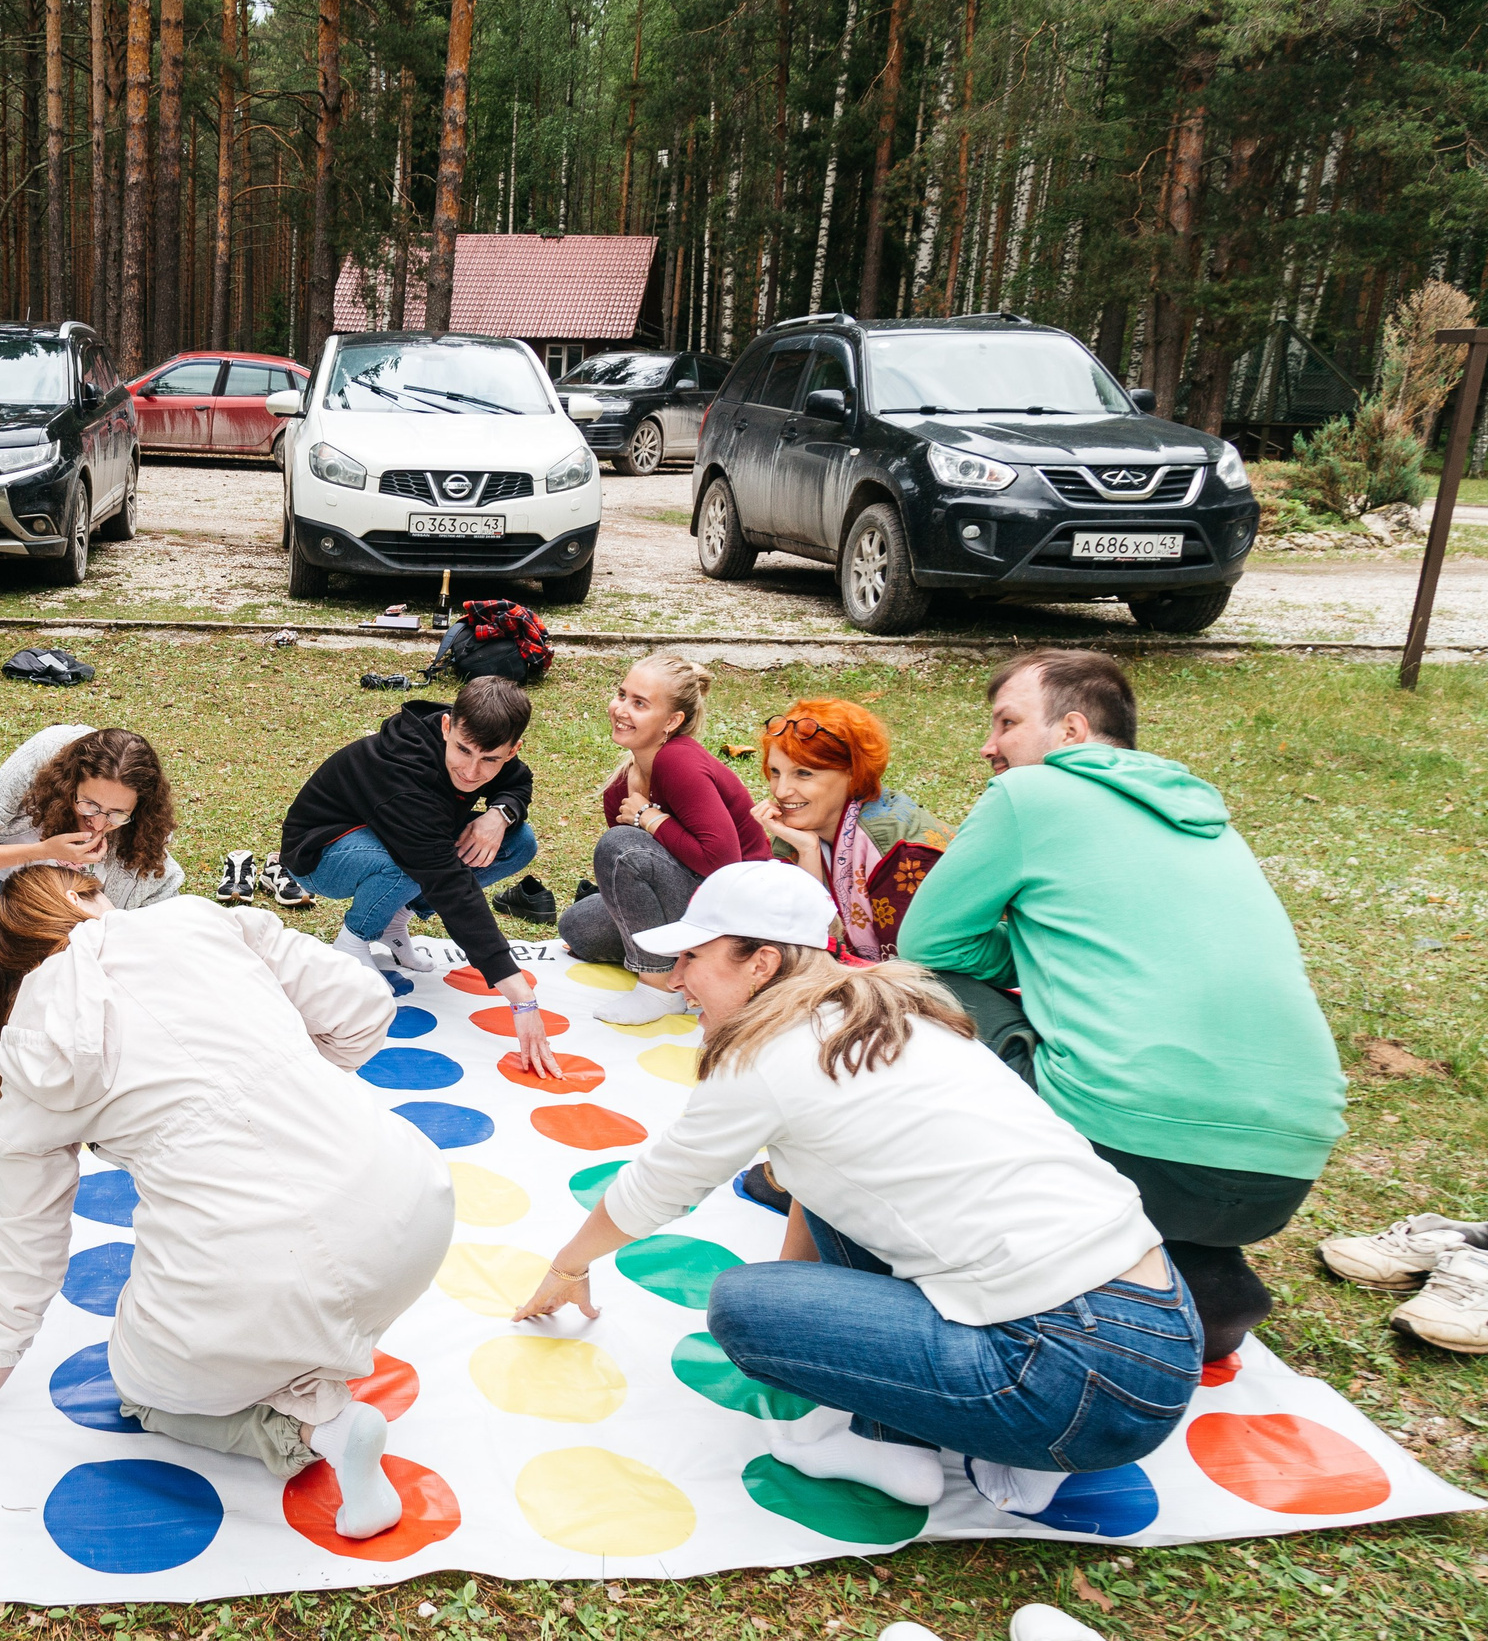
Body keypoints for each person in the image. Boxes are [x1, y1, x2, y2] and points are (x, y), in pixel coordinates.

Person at [516, 862, 1200, 1516]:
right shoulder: (892, 1012)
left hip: (1073, 1378)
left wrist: (568, 1266)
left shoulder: (765, 1057)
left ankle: (910, 1450)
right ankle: (949, 1439)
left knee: (744, 1309)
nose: (676, 979)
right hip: (1163, 1327)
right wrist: (806, 1306)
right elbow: (819, 1177)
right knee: (787, 1280)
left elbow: (656, 1188)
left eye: (693, 957)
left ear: (761, 964)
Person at [0, 869, 453, 1541]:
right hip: (413, 1207)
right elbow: (364, 1007)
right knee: (290, 1292)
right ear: (84, 897)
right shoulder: (200, 917)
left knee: (143, 1386)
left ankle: (321, 1427)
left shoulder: (32, 1041)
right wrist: (292, 1090)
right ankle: (306, 1365)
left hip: (257, 1273)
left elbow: (29, 1243)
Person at [898, 649, 1345, 1365]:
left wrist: (1034, 960)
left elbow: (928, 940)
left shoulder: (1029, 794)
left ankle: (981, 1233)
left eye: (1006, 723)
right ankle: (1203, 1280)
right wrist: (1062, 956)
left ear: (1071, 731)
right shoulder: (1209, 821)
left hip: (1128, 1144)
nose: (989, 746)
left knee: (913, 986)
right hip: (1284, 1166)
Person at [278, 677, 563, 1076]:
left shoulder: (486, 748)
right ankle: (354, 942)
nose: (471, 770)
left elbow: (517, 782)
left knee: (518, 841)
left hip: (390, 839)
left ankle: (395, 920)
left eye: (490, 760)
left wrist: (499, 816)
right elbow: (448, 884)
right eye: (463, 750)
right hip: (320, 855)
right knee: (407, 860)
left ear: (512, 749)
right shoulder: (404, 774)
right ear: (447, 726)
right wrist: (519, 995)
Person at [558, 653, 770, 1025]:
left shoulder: (679, 761)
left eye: (640, 704)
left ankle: (659, 989)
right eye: (622, 695)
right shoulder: (621, 785)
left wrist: (649, 818)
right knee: (578, 928)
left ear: (672, 721)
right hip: (696, 899)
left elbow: (723, 861)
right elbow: (633, 879)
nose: (621, 709)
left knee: (619, 847)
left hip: (742, 913)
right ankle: (691, 965)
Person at [0, 726, 183, 955]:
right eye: (89, 805)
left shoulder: (143, 836)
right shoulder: (44, 756)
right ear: (69, 785)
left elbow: (164, 916)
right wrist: (41, 850)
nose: (98, 823)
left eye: (117, 814)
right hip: (3, 852)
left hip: (29, 895)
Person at [753, 697, 950, 962]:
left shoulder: (900, 852)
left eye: (804, 773)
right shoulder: (796, 836)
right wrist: (808, 853)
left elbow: (913, 968)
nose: (781, 790)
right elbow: (797, 943)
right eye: (776, 772)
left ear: (854, 773)